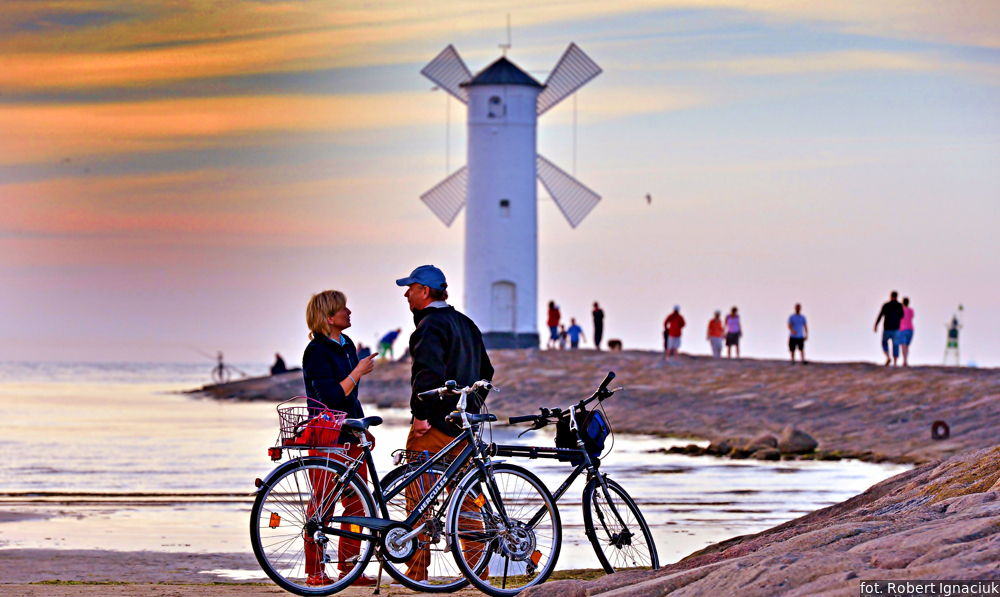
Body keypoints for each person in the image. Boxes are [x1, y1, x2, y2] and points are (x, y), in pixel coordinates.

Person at [395, 265, 493, 582]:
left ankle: (417, 572)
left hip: (433, 426)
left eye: (410, 288)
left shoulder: (429, 326)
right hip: (463, 429)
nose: (406, 294)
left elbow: (427, 374)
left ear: (424, 291)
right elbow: (487, 373)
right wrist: (469, 409)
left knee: (419, 498)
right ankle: (478, 571)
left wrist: (420, 415)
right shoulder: (466, 324)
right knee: (468, 501)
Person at [301, 290, 378, 587]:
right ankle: (315, 572)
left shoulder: (347, 345)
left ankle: (349, 567)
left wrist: (361, 425)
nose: (349, 311)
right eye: (342, 308)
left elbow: (349, 398)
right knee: (323, 504)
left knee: (358, 502)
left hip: (350, 433)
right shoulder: (316, 351)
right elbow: (330, 397)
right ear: (329, 318)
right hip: (326, 435)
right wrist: (357, 372)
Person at [874, 291, 904, 366]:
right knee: (895, 345)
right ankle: (895, 362)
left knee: (884, 343)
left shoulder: (886, 305)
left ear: (891, 296)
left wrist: (876, 325)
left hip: (887, 328)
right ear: (897, 297)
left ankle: (888, 357)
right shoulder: (899, 305)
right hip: (896, 328)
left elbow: (880, 315)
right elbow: (902, 316)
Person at [899, 297, 914, 366]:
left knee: (903, 346)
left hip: (902, 329)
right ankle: (906, 360)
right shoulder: (911, 310)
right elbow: (912, 317)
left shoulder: (901, 310)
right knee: (907, 346)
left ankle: (905, 360)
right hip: (910, 329)